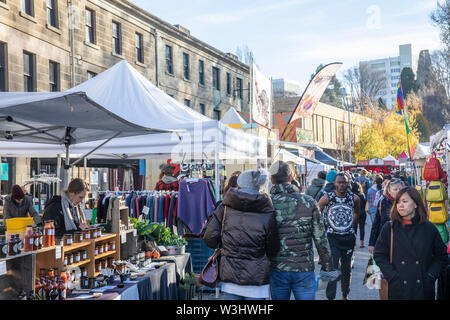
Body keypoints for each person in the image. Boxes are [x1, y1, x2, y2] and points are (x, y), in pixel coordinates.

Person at [203, 169, 279, 300]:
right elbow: (273, 248)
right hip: (256, 280)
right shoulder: (268, 210)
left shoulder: (224, 207)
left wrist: (223, 245)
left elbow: (210, 238)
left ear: (240, 182)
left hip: (229, 276)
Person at [268, 161, 338, 300]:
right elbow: (320, 238)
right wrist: (328, 267)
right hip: (304, 268)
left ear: (271, 180)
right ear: (291, 177)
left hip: (277, 268)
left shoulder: (268, 203)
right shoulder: (308, 201)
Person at [373, 187, 448, 300]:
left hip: (423, 289)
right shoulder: (389, 228)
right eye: (398, 202)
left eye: (405, 201)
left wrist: (430, 276)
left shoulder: (429, 228)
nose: (400, 205)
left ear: (416, 204)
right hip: (398, 288)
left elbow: (441, 256)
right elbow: (379, 254)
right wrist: (392, 276)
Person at [318, 173, 360, 300]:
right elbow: (317, 212)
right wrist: (321, 229)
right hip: (332, 238)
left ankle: (344, 295)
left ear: (348, 183)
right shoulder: (327, 198)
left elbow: (356, 214)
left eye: (344, 182)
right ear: (334, 183)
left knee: (346, 268)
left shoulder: (354, 198)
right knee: (333, 268)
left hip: (348, 238)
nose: (341, 185)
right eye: (339, 182)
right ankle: (330, 297)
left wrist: (352, 230)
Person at [368, 178, 405, 254]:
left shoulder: (407, 203)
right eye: (395, 189)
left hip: (402, 242)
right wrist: (371, 243)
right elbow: (376, 223)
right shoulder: (383, 202)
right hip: (384, 242)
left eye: (400, 189)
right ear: (389, 191)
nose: (398, 191)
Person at [351, 182, 367, 248]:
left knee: (354, 227)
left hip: (355, 212)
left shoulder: (351, 195)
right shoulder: (362, 194)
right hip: (362, 212)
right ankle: (361, 242)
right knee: (362, 227)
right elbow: (365, 203)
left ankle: (353, 242)